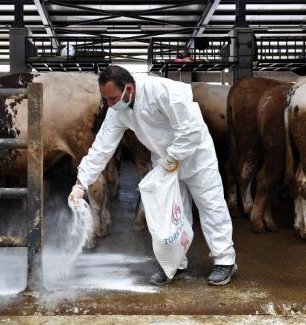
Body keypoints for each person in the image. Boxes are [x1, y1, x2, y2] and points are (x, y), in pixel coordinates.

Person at [68, 65, 237, 286]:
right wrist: (81, 183)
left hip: (196, 157)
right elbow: (101, 148)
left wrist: (174, 156)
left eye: (113, 98)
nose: (110, 104)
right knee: (172, 212)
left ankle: (224, 260)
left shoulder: (163, 90)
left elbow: (191, 129)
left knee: (210, 205)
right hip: (165, 161)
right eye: (106, 99)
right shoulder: (117, 111)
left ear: (129, 88)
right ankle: (174, 265)